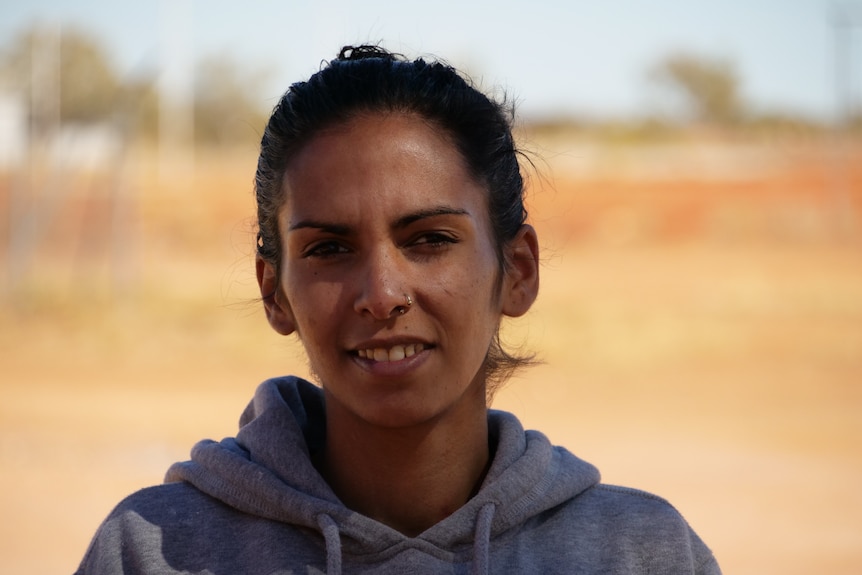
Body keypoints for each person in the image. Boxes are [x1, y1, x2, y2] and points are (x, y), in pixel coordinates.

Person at [75, 45, 721, 574]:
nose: (383, 294)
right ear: (274, 291)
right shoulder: (150, 551)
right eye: (329, 247)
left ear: (517, 271)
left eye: (430, 240)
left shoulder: (642, 554)